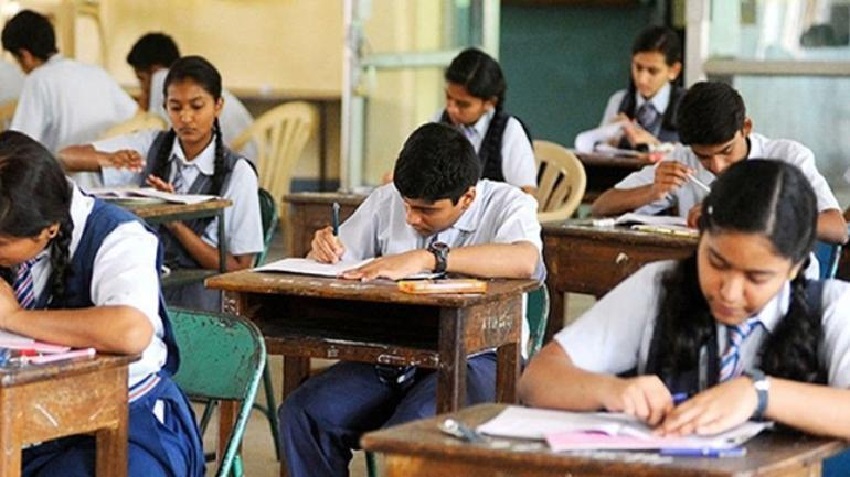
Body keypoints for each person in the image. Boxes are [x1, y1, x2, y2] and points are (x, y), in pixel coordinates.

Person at [279, 122, 544, 477]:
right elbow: (340, 262)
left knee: (408, 434)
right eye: (406, 204)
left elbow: (525, 260)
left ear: (467, 198)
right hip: (394, 353)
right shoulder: (388, 199)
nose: (410, 218)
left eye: (425, 210)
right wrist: (323, 250)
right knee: (304, 413)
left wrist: (429, 258)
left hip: (478, 359)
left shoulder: (508, 204)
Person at [520, 159, 850, 441]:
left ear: (795, 267)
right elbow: (537, 379)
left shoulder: (831, 307)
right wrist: (610, 390)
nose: (729, 291)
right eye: (716, 262)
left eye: (756, 277)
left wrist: (759, 394)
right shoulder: (660, 286)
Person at [0, 130, 204, 476]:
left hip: (128, 423)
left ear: (49, 229)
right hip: (29, 420)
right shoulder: (17, 235)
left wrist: (14, 317)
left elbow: (130, 330)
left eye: (2, 243)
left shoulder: (118, 235)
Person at [58, 55, 264, 312]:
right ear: (165, 107)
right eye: (176, 108)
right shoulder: (151, 146)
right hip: (144, 289)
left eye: (197, 107)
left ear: (218, 106)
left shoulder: (238, 173)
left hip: (202, 301)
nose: (186, 117)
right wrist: (109, 159)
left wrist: (174, 221)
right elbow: (65, 158)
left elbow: (240, 267)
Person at [590, 81, 847, 245]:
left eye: (726, 150)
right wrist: (652, 191)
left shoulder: (788, 157)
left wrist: (744, 216)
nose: (717, 166)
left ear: (746, 127)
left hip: (782, 286)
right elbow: (601, 207)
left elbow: (837, 228)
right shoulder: (683, 160)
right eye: (703, 156)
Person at [1, 10, 138, 187]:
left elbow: (20, 144)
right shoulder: (96, 73)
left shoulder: (39, 80)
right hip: (114, 183)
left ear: (24, 55)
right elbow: (132, 118)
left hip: (69, 188)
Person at [126, 32, 257, 161]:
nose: (143, 89)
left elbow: (156, 140)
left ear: (155, 69)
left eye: (142, 79)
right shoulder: (201, 84)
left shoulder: (162, 78)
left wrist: (143, 108)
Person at [598, 25, 685, 149]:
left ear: (674, 71)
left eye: (653, 71)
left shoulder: (688, 106)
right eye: (638, 68)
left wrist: (654, 145)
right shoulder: (618, 102)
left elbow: (696, 155)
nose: (642, 79)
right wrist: (608, 139)